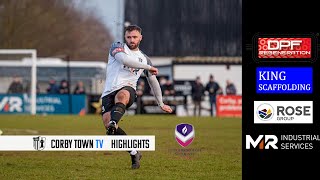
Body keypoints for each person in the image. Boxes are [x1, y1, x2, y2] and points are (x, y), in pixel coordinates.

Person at [100, 25, 173, 169]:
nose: (131, 40)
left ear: (140, 38)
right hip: (108, 92)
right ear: (125, 37)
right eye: (128, 37)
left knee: (122, 95)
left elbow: (153, 82)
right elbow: (125, 61)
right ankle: (134, 152)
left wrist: (161, 103)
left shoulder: (145, 59)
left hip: (128, 90)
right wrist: (147, 68)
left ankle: (114, 122)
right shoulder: (117, 47)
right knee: (108, 126)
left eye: (134, 37)